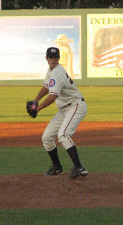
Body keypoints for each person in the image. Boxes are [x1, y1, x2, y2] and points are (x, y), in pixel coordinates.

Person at [32, 47, 88, 179]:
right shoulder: (51, 70)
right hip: (64, 109)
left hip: (76, 106)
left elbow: (52, 96)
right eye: (50, 57)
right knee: (47, 137)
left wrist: (38, 108)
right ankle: (57, 167)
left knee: (63, 134)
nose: (53, 59)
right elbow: (46, 86)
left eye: (55, 57)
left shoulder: (57, 73)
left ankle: (79, 167)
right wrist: (36, 100)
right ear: (46, 58)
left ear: (58, 58)